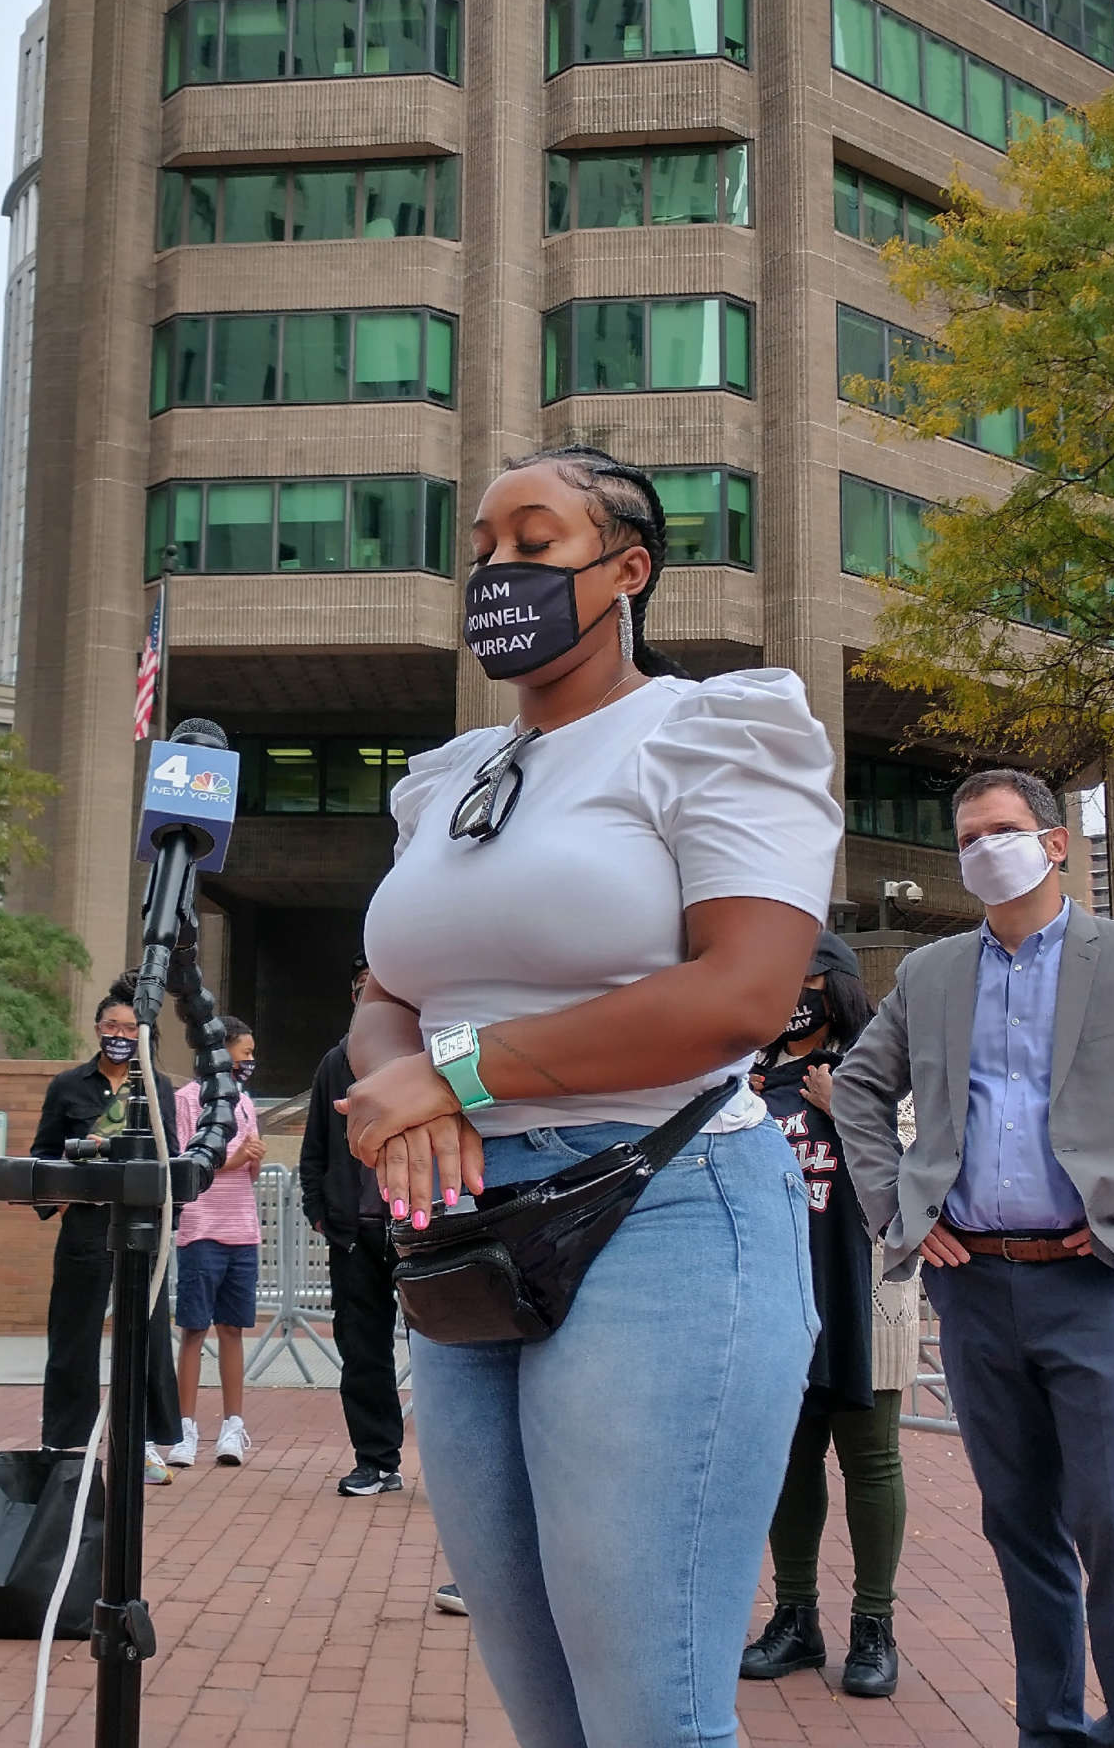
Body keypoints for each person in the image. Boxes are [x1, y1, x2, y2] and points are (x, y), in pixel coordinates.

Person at [347, 443, 840, 1748]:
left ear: (629, 570)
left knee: (647, 1710)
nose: (498, 571)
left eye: (535, 541)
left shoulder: (712, 731)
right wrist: (403, 1087)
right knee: (542, 1699)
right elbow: (384, 987)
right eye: (482, 549)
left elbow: (740, 994)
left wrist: (453, 1073)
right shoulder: (445, 780)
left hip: (663, 1202)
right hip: (466, 1229)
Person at [828, 768, 1114, 1748]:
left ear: (1055, 844)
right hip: (971, 1286)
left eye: (1002, 831)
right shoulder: (931, 974)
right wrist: (898, 1209)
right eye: (966, 837)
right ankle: (1049, 1731)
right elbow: (857, 1089)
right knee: (1016, 1527)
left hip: (1099, 1286)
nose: (983, 849)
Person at [739, 931, 916, 1698]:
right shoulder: (747, 1081)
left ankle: (874, 1625)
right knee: (790, 1459)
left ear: (834, 988)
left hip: (867, 1297)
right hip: (780, 1297)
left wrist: (847, 1113)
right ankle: (796, 1617)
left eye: (801, 982)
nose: (788, 999)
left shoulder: (887, 1073)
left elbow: (919, 1188)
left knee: (870, 1461)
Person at [33, 975, 180, 1486]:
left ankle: (139, 1443)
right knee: (73, 1333)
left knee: (146, 1337)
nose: (119, 1033)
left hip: (141, 1230)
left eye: (129, 1026)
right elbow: (42, 1156)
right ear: (98, 1029)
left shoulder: (156, 1087)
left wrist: (167, 1224)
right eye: (111, 1025)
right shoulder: (67, 1087)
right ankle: (64, 1442)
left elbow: (171, 1161)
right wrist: (64, 1196)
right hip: (86, 1228)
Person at [298, 958, 407, 1499]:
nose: (372, 1002)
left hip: (420, 1228)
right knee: (363, 1351)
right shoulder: (333, 1065)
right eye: (363, 990)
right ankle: (376, 1461)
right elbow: (314, 1145)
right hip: (353, 1233)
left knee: (448, 1354)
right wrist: (318, 1208)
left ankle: (456, 1471)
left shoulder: (423, 1056)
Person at [165, 1017, 265, 1469]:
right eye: (243, 1052)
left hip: (242, 1229)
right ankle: (184, 1428)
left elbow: (250, 1170)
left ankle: (233, 1424)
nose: (249, 1061)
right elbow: (189, 1162)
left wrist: (253, 1161)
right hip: (201, 1228)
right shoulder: (187, 1100)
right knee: (193, 1329)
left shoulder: (245, 1103)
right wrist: (234, 1158)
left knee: (233, 1329)